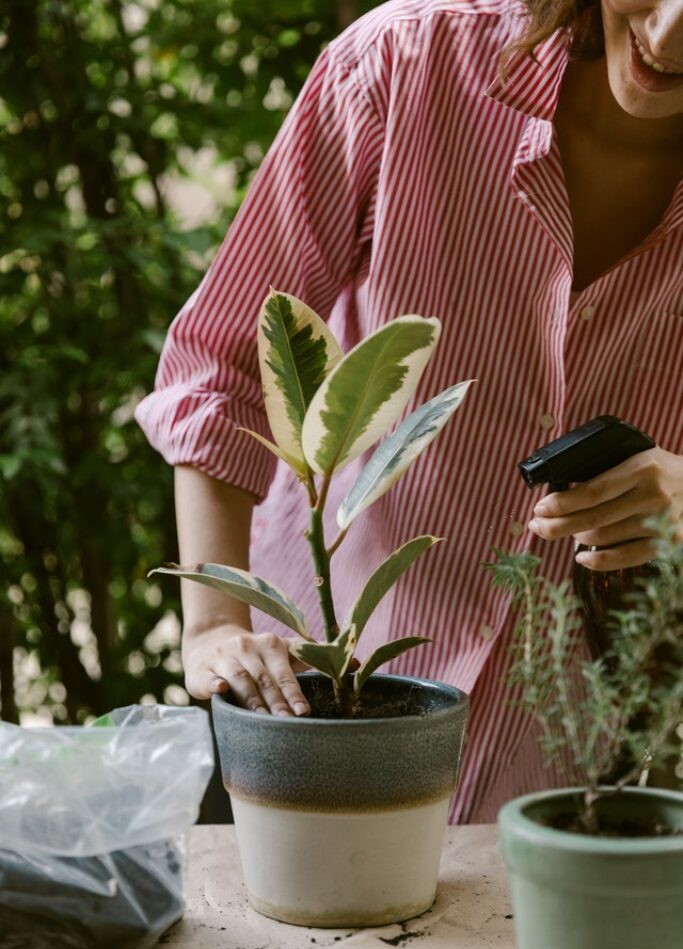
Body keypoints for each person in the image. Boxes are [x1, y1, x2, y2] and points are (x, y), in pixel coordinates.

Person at [136, 0, 683, 823]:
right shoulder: (404, 62)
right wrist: (214, 625)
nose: (668, 34)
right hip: (320, 713)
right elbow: (222, 366)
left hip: (580, 775)